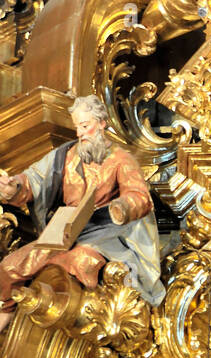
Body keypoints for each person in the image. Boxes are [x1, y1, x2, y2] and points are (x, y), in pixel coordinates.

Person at [0, 95, 165, 331]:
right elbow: (35, 179)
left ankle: (78, 323)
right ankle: (5, 321)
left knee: (79, 262)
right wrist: (13, 187)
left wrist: (121, 207)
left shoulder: (121, 160)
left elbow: (139, 196)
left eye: (85, 126)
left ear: (102, 123)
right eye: (77, 126)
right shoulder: (65, 156)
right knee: (9, 265)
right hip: (63, 231)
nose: (79, 133)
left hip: (106, 234)